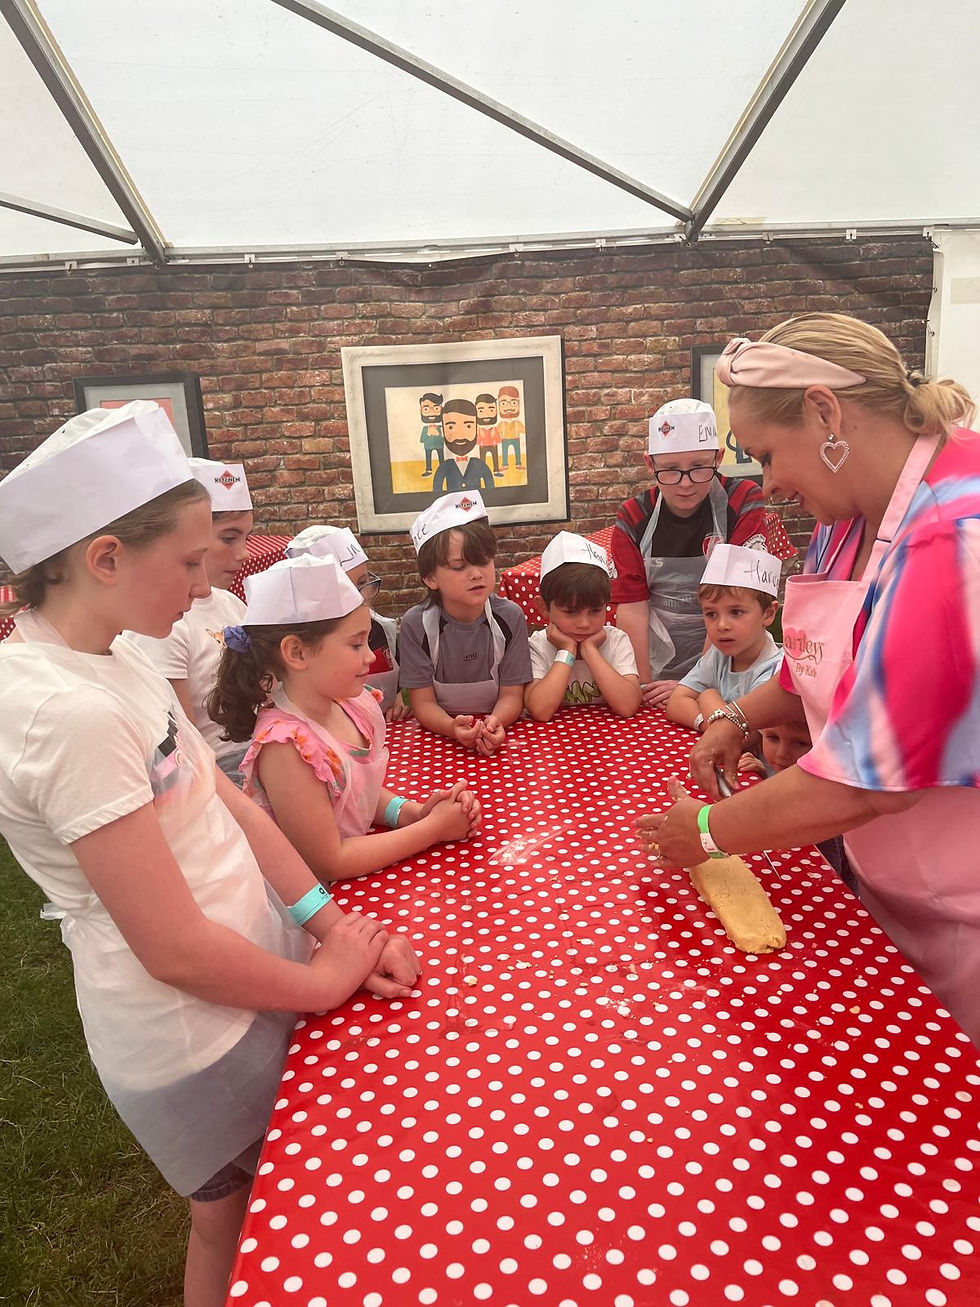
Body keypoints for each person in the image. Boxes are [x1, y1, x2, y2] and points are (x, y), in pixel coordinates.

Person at [0, 402, 420, 1307]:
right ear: (104, 558)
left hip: (253, 974)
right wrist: (324, 979)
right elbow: (171, 946)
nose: (205, 585)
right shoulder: (61, 712)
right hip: (193, 1031)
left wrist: (328, 926)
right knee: (241, 1226)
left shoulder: (114, 662)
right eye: (190, 562)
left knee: (282, 1212)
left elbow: (233, 805)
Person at [636, 313, 980, 1045]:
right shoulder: (850, 512)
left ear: (825, 411)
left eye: (766, 454)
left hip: (963, 916)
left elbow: (861, 779)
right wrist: (734, 716)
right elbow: (812, 666)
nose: (769, 481)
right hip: (884, 885)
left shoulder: (953, 538)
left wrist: (705, 828)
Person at [207, 554, 480, 883]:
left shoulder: (351, 705)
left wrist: (411, 812)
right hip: (316, 909)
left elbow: (354, 793)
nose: (370, 656)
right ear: (297, 653)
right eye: (355, 645)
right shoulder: (287, 747)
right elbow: (329, 862)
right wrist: (431, 828)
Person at [611, 397, 767, 710]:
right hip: (656, 661)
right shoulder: (632, 516)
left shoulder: (744, 501)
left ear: (718, 457)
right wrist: (641, 686)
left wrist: (696, 683)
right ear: (649, 464)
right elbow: (632, 610)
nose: (684, 484)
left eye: (698, 468)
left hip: (731, 662)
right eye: (670, 470)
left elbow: (734, 601)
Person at [125, 456, 254, 784]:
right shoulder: (163, 624)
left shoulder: (232, 603)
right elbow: (182, 742)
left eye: (247, 538)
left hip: (257, 748)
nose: (243, 553)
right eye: (228, 538)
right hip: (217, 767)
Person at [399, 491, 532, 755]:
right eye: (459, 566)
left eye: (484, 561)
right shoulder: (416, 625)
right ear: (430, 578)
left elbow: (512, 695)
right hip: (438, 742)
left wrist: (495, 722)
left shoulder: (510, 617)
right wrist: (452, 728)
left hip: (502, 735)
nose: (476, 574)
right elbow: (423, 704)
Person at [286, 523, 407, 720]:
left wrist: (399, 702)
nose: (358, 598)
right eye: (344, 588)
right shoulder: (306, 649)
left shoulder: (379, 629)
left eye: (362, 584)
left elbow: (396, 687)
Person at [665, 542, 782, 732]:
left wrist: (708, 697)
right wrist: (710, 725)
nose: (722, 626)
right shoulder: (718, 656)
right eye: (711, 614)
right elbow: (676, 702)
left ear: (768, 614)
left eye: (736, 612)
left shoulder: (774, 671)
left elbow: (748, 737)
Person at [525, 530, 641, 721]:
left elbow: (628, 706)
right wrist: (567, 651)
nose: (584, 624)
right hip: (554, 747)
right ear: (544, 607)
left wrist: (590, 651)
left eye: (595, 611)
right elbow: (540, 711)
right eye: (570, 612)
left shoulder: (617, 641)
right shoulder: (536, 646)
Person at [432, 399, 495, 496]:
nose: (460, 436)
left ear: (477, 429)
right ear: (443, 430)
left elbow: (490, 487)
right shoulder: (444, 466)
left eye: (468, 426)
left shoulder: (480, 464)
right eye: (451, 427)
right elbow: (437, 488)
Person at [476, 392, 504, 477]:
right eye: (481, 410)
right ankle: (482, 472)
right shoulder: (479, 428)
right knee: (482, 459)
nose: (486, 414)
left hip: (493, 445)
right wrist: (479, 442)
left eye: (491, 410)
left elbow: (497, 436)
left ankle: (496, 471)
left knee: (495, 458)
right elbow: (478, 437)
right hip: (483, 445)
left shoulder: (494, 428)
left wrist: (496, 440)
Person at [497, 385, 525, 469]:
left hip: (516, 439)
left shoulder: (517, 422)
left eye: (513, 403)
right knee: (504, 452)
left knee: (517, 452)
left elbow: (525, 431)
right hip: (504, 439)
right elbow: (496, 432)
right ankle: (505, 465)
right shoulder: (501, 424)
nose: (509, 407)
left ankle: (518, 464)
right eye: (504, 403)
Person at [418, 391, 444, 477]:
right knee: (428, 458)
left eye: (436, 409)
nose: (431, 413)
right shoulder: (425, 428)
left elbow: (445, 439)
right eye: (426, 409)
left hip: (439, 446)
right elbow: (421, 440)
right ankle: (428, 470)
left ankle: (442, 470)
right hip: (428, 446)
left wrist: (438, 434)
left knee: (441, 457)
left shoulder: (440, 428)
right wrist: (428, 434)